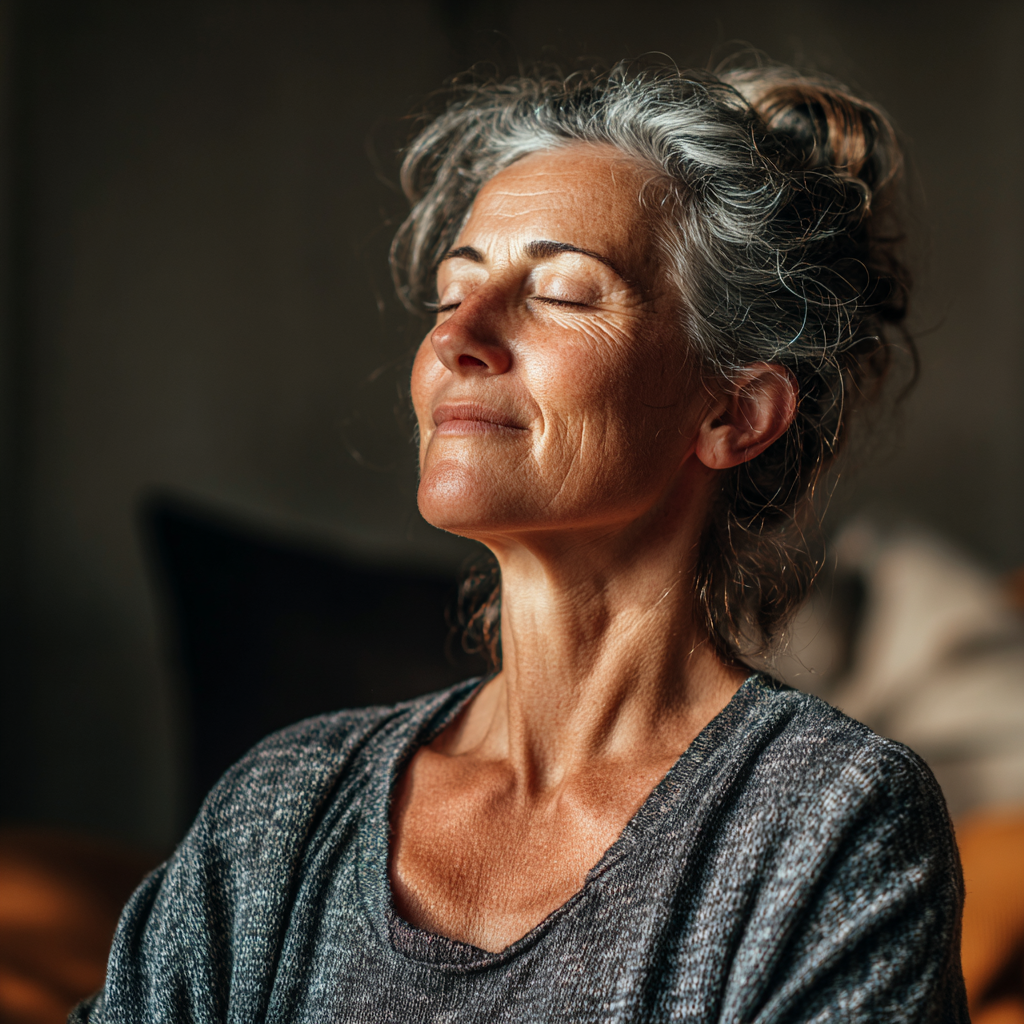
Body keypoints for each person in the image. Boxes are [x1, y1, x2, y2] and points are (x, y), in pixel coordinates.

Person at [72, 59, 968, 1023]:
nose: (462, 337)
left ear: (734, 413)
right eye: (451, 295)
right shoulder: (281, 809)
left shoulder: (830, 822)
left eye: (564, 293)